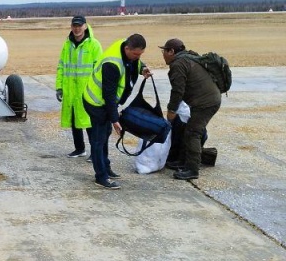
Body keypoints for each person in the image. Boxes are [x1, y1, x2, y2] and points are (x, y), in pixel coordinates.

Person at [82, 33, 151, 189]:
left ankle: (106, 167)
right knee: (98, 140)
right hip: (95, 103)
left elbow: (134, 63)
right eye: (135, 54)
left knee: (104, 135)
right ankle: (101, 177)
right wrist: (115, 120)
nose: (137, 57)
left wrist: (142, 68)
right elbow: (109, 95)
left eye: (140, 55)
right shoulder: (112, 64)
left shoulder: (126, 48)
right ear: (127, 48)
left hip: (104, 103)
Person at [159, 38, 221, 181]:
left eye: (164, 51)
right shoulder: (189, 59)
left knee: (193, 132)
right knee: (189, 130)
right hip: (207, 100)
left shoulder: (178, 64)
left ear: (171, 51)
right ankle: (182, 161)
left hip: (205, 103)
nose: (163, 55)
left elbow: (177, 91)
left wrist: (171, 111)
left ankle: (192, 169)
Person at [55, 15, 102, 157]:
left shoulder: (94, 45)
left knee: (89, 123)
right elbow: (61, 67)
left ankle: (95, 152)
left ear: (85, 26)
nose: (77, 28)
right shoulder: (67, 45)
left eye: (79, 26)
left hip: (87, 91)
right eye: (74, 26)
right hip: (71, 90)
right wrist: (59, 87)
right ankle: (80, 149)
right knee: (74, 120)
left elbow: (99, 69)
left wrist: (97, 90)